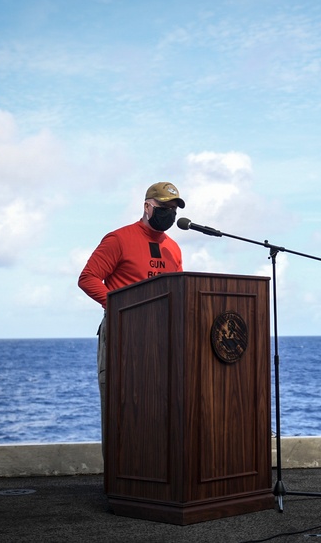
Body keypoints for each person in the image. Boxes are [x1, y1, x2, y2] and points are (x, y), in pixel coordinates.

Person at [77, 182, 185, 453]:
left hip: (163, 334)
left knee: (160, 406)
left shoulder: (173, 248)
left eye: (173, 209)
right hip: (123, 332)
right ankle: (118, 480)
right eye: (163, 208)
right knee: (120, 406)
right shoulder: (119, 239)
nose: (169, 214)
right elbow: (88, 278)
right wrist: (119, 307)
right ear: (147, 207)